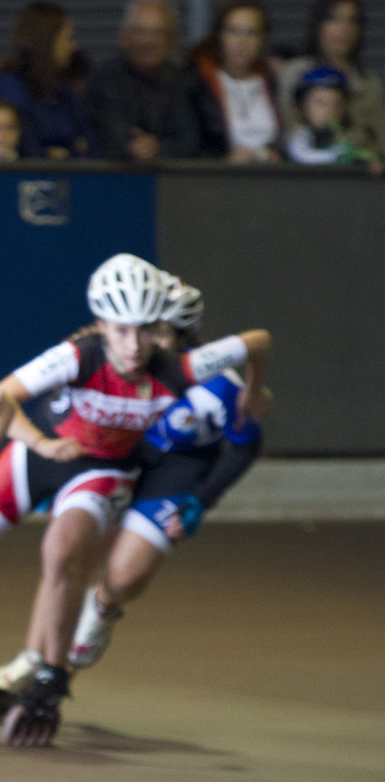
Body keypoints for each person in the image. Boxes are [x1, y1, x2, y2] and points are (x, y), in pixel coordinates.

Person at [0, 255, 271, 747]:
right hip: (40, 454)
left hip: (101, 471)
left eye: (147, 331)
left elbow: (258, 341)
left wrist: (251, 394)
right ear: (101, 325)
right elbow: (0, 398)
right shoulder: (78, 355)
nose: (134, 346)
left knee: (63, 554)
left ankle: (51, 675)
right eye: (121, 331)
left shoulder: (184, 369)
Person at [68, 276, 267, 669]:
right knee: (73, 550)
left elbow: (247, 444)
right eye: (137, 329)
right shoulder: (116, 361)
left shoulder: (217, 386)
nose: (141, 344)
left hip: (179, 470)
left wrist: (202, 499)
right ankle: (47, 658)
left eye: (155, 332)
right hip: (126, 457)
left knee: (124, 577)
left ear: (180, 336)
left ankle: (103, 608)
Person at [84, 0, 200, 161]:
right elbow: (110, 135)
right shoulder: (105, 79)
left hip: (173, 175)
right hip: (116, 172)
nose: (148, 41)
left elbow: (191, 141)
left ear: (173, 40)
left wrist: (159, 148)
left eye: (157, 33)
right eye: (140, 32)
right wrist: (138, 147)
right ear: (124, 37)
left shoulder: (185, 81)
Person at [277, 0, 385, 158]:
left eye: (352, 21)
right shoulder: (296, 72)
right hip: (305, 166)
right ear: (318, 25)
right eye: (334, 19)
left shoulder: (368, 83)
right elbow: (287, 130)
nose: (344, 29)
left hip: (359, 168)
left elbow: (381, 139)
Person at [0, 0, 91, 158]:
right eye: (67, 38)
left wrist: (66, 153)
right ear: (47, 41)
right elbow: (30, 153)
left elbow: (88, 144)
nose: (73, 46)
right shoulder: (12, 88)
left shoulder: (63, 90)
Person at [188, 0, 281, 163]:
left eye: (251, 33)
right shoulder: (198, 83)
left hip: (268, 174)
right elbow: (190, 144)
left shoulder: (270, 81)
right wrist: (223, 158)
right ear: (219, 35)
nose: (241, 42)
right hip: (217, 174)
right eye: (233, 31)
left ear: (262, 39)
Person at [284, 65, 379, 169]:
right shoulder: (299, 133)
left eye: (337, 104)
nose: (329, 111)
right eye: (320, 103)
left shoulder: (347, 135)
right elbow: (301, 154)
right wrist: (340, 155)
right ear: (301, 106)